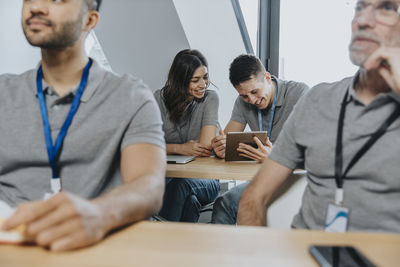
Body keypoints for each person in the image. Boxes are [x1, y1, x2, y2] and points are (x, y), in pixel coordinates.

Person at [0, 0, 166, 251]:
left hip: (89, 247)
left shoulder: (131, 96)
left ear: (89, 21)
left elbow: (149, 186)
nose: (37, 7)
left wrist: (100, 214)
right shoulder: (4, 92)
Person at [238, 0, 400, 233]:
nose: (363, 20)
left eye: (386, 8)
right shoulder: (317, 100)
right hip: (304, 252)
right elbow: (253, 197)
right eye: (360, 8)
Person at [210, 54, 309, 224]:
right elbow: (227, 139)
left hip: (295, 177)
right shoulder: (243, 102)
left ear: (267, 78)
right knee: (224, 202)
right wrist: (220, 148)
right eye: (245, 96)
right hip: (263, 177)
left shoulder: (300, 93)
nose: (252, 100)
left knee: (233, 204)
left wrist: (276, 157)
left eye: (255, 92)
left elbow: (312, 150)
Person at [154, 49, 220, 222]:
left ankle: (160, 239)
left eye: (205, 77)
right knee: (189, 202)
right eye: (195, 80)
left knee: (181, 185)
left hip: (205, 179)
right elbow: (150, 145)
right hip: (168, 178)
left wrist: (167, 148)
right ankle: (181, 246)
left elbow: (204, 148)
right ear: (180, 80)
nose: (203, 85)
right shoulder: (159, 99)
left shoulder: (210, 99)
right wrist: (180, 148)